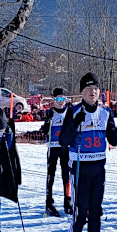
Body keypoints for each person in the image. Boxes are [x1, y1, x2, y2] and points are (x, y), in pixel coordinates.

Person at [59, 72, 117, 232]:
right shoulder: (73, 111)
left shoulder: (105, 113)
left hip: (98, 168)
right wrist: (74, 123)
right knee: (80, 214)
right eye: (88, 89)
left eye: (95, 89)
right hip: (79, 168)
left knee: (96, 212)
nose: (92, 92)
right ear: (81, 92)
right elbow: (63, 140)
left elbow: (113, 141)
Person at [40, 87, 72, 217]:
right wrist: (48, 121)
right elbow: (44, 131)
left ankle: (67, 201)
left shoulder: (68, 112)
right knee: (51, 175)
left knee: (67, 175)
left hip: (65, 148)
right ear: (53, 99)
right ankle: (49, 203)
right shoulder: (50, 112)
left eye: (63, 99)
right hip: (53, 147)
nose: (61, 101)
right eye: (59, 99)